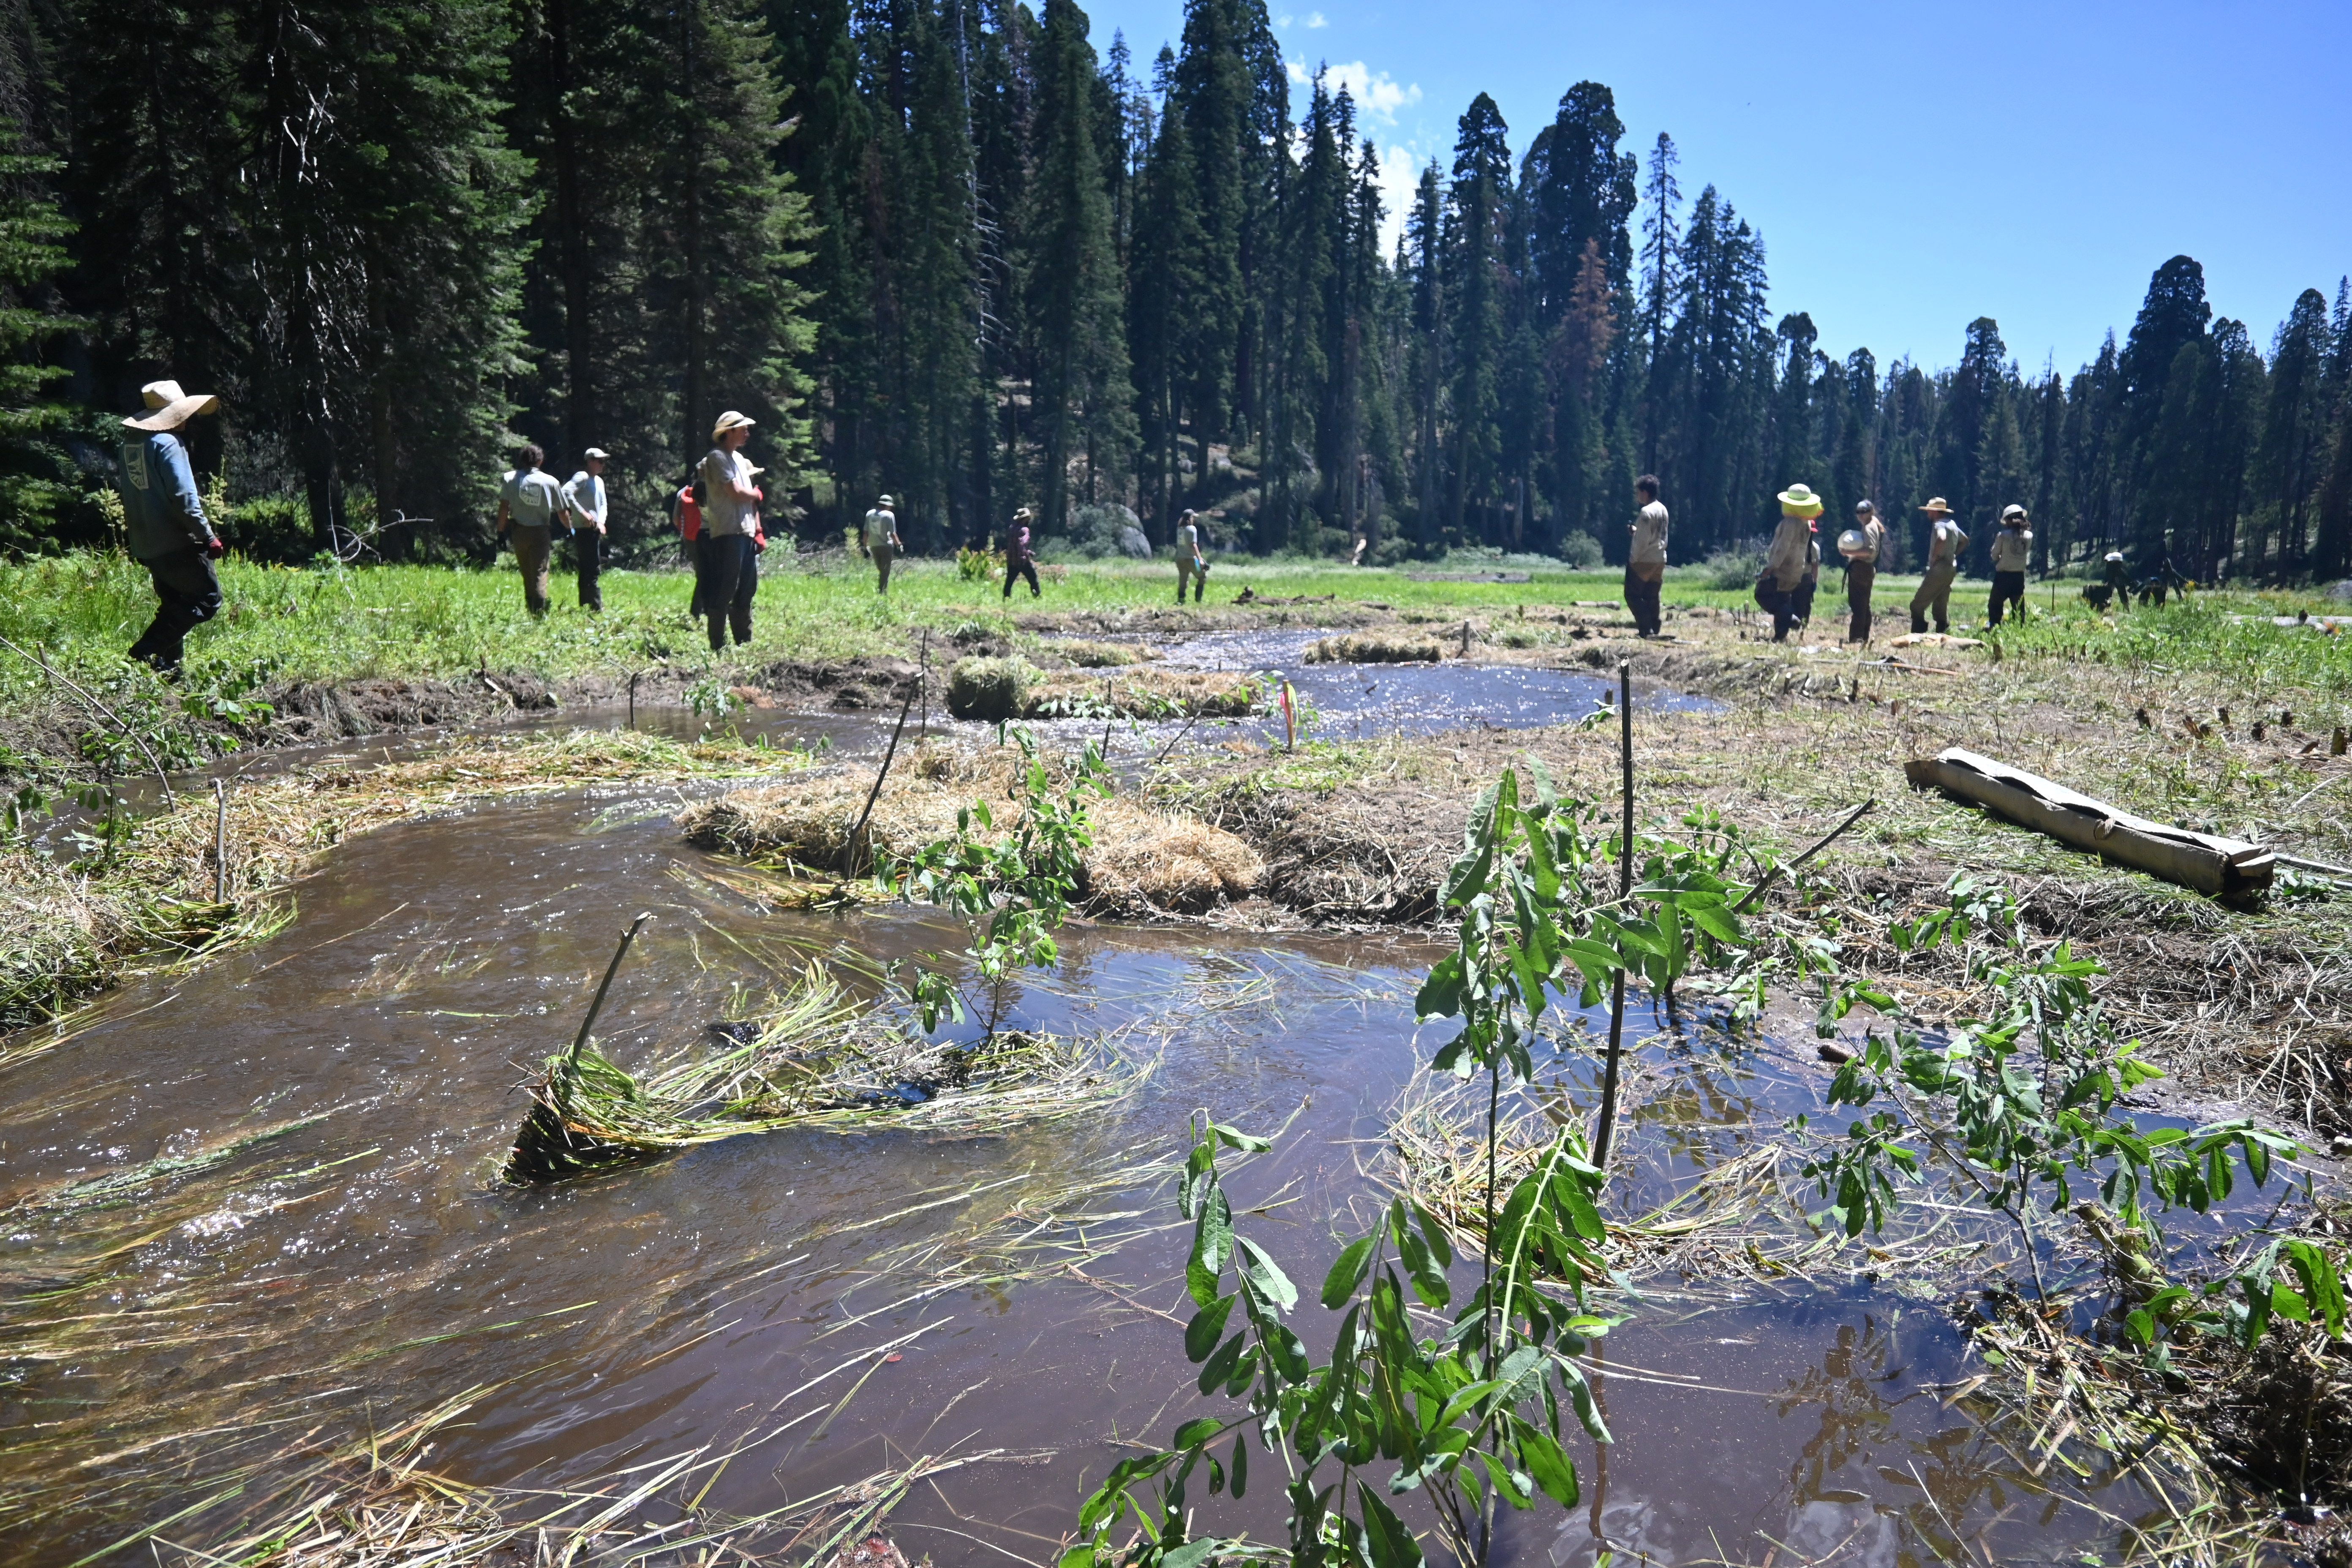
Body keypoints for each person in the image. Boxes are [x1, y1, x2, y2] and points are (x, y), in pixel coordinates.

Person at [118, 379, 226, 673]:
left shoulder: (131, 444)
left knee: (174, 601)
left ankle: (168, 667)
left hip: (145, 541)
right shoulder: (167, 444)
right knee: (207, 598)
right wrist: (208, 537)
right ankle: (144, 652)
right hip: (176, 541)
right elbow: (184, 498)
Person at [696, 411, 762, 649]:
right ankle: (718, 644)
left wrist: (757, 530)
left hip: (744, 533)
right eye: (742, 428)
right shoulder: (717, 457)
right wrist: (756, 494)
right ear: (729, 431)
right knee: (726, 588)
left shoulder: (738, 459)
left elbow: (745, 498)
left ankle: (744, 643)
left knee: (747, 588)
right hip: (728, 532)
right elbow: (735, 493)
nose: (747, 432)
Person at [495, 444, 568, 616]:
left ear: (522, 460)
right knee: (540, 571)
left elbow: (504, 507)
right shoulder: (551, 482)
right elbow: (562, 511)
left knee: (527, 571)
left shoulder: (509, 479)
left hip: (519, 531)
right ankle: (538, 611)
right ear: (541, 461)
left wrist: (500, 531)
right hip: (540, 532)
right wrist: (570, 529)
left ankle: (530, 608)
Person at [1757, 483, 1821, 642]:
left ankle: (1791, 618)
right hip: (1797, 570)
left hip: (1783, 569)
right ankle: (1780, 637)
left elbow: (1782, 548)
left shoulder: (1790, 523)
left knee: (1762, 595)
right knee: (1783, 600)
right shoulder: (1805, 523)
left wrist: (1770, 567)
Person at [1908, 497, 1968, 634]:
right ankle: (1943, 633)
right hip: (1951, 569)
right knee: (1941, 605)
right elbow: (1965, 541)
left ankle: (1918, 633)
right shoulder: (1952, 524)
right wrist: (1954, 554)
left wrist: (1935, 557)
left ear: (1935, 511)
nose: (1928, 513)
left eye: (1929, 510)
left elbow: (1942, 538)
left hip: (1939, 569)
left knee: (1917, 605)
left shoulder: (1938, 525)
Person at [563, 448, 611, 612]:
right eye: (600, 461)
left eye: (604, 461)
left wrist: (601, 522)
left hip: (594, 529)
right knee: (592, 568)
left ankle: (587, 607)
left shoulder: (599, 481)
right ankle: (595, 608)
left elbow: (603, 504)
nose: (603, 464)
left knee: (589, 568)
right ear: (590, 461)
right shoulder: (582, 477)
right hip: (583, 529)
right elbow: (566, 492)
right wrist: (582, 513)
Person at [1625, 475, 1668, 636]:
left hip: (1644, 560)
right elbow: (1655, 534)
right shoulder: (1662, 509)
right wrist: (1636, 531)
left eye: (1638, 492)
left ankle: (1645, 628)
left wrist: (1633, 559)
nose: (1637, 495)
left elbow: (1641, 543)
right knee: (1652, 596)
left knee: (1632, 594)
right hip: (1660, 559)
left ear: (1645, 492)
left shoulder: (1645, 512)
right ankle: (1655, 629)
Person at [1839, 501, 1886, 643]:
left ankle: (1856, 638)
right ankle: (1863, 637)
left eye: (1864, 512)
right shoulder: (1874, 523)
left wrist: (1849, 552)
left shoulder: (1868, 528)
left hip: (1861, 568)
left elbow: (1870, 551)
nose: (1860, 515)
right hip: (1867, 568)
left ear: (1871, 512)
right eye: (1858, 512)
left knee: (1858, 605)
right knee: (1864, 605)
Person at [1987, 504, 2031, 626]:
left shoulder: (2003, 535)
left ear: (2009, 520)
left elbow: (1995, 555)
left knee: (1995, 604)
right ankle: (2020, 627)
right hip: (2019, 576)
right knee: (2018, 605)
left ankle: (1995, 627)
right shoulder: (2029, 536)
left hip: (2004, 576)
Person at [863, 493, 902, 593]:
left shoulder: (870, 514)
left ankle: (882, 590)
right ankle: (882, 592)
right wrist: (899, 545)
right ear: (888, 505)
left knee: (881, 569)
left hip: (873, 546)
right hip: (886, 547)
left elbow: (866, 532)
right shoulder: (889, 515)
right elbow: (893, 534)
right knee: (885, 570)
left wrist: (865, 547)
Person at [1003, 506, 1040, 599]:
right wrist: (1025, 555)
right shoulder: (1025, 530)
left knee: (1010, 580)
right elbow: (1022, 543)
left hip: (1011, 560)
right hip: (1022, 560)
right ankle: (1037, 595)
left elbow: (1014, 543)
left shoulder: (1012, 528)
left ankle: (1006, 597)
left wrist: (1028, 551)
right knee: (1033, 578)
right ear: (1026, 519)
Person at [1174, 509, 1208, 604]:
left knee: (1183, 581)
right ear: (1190, 518)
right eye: (1193, 517)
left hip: (1180, 559)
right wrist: (1201, 560)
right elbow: (1193, 545)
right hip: (1192, 560)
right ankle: (1198, 600)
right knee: (1202, 576)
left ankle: (1181, 600)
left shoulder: (1179, 529)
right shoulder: (1192, 529)